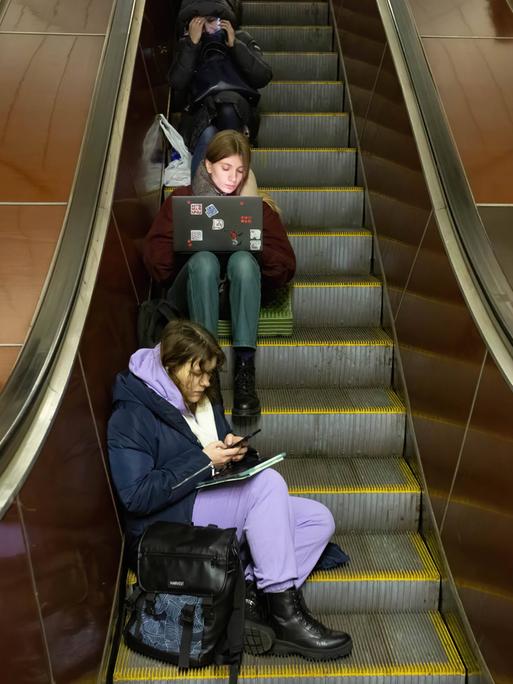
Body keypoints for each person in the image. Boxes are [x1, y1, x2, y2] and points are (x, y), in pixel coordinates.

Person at [107, 319, 353, 660]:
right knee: (267, 486)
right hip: (167, 526)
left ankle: (250, 594)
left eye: (210, 373)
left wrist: (235, 450)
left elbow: (215, 456)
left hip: (207, 499)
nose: (207, 382)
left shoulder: (201, 399)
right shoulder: (132, 413)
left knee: (317, 519)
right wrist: (204, 460)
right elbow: (137, 495)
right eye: (199, 372)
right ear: (170, 367)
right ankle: (285, 617)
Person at [143, 130, 296, 418]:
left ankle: (244, 372)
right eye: (226, 168)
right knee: (204, 261)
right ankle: (205, 371)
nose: (233, 178)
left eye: (240, 171)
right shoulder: (183, 200)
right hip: (193, 288)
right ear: (209, 165)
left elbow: (284, 268)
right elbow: (157, 265)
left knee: (242, 262)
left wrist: (252, 243)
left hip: (237, 294)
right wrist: (185, 244)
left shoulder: (257, 209)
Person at [170, 0, 272, 177]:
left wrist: (235, 46)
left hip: (236, 110)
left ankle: (229, 184)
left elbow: (263, 76)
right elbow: (177, 85)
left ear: (223, 20)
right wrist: (192, 46)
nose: (206, 28)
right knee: (208, 134)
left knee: (227, 107)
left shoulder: (241, 38)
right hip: (201, 115)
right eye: (198, 22)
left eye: (211, 21)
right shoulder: (186, 45)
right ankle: (206, 194)